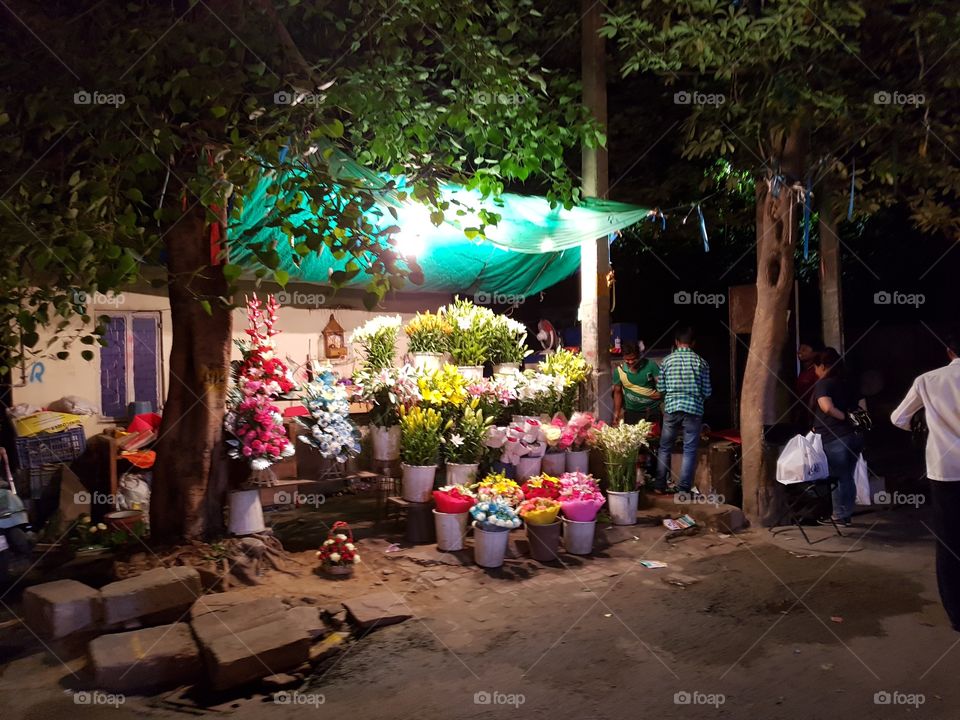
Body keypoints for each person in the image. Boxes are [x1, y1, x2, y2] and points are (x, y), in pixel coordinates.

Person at [890, 330, 960, 631]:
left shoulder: (928, 381)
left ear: (949, 352)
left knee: (949, 541)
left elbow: (898, 418)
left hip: (945, 470)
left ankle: (958, 613)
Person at [654, 327, 712, 494]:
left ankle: (659, 486)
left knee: (665, 447)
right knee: (689, 448)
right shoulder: (701, 362)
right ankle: (684, 489)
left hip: (671, 408)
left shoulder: (666, 361)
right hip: (693, 409)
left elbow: (661, 388)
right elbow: (707, 391)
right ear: (693, 343)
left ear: (677, 343)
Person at [810, 348, 862, 527]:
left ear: (823, 366)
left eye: (816, 368)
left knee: (838, 477)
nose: (815, 372)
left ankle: (839, 515)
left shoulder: (824, 384)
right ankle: (845, 514)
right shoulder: (849, 382)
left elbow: (826, 407)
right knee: (847, 476)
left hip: (834, 436)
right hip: (854, 436)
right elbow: (862, 404)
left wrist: (843, 418)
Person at [612, 341, 661, 425]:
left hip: (651, 411)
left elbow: (662, 384)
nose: (630, 362)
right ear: (623, 357)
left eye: (633, 359)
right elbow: (617, 392)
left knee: (654, 437)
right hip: (631, 413)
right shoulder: (619, 371)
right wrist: (617, 413)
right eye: (627, 359)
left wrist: (661, 394)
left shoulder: (651, 365)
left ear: (639, 355)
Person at [794, 340, 822, 426]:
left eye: (804, 350)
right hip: (803, 413)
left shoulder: (817, 371)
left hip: (813, 414)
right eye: (799, 349)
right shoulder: (803, 372)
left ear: (815, 353)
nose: (799, 352)